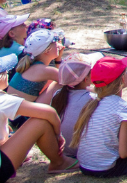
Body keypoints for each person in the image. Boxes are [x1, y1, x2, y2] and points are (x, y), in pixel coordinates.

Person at [0, 53, 80, 181]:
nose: (8, 73)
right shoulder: (3, 100)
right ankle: (59, 162)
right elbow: (49, 112)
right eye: (5, 71)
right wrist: (58, 135)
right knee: (40, 121)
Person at [74, 56, 127, 177]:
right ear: (122, 79)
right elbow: (124, 153)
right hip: (109, 169)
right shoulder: (124, 108)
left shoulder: (91, 104)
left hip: (85, 167)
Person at [50, 53, 100, 159]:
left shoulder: (58, 95)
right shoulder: (92, 98)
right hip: (83, 152)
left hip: (64, 151)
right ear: (86, 78)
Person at [7, 29, 63, 102]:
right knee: (58, 84)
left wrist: (58, 59)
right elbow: (72, 80)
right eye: (56, 42)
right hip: (24, 113)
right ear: (47, 50)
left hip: (13, 111)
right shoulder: (45, 70)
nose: (59, 45)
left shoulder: (32, 65)